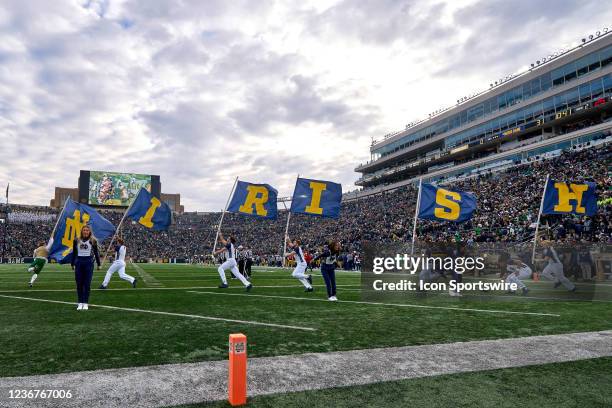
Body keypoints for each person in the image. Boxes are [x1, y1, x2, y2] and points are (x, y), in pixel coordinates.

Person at [71, 225, 101, 310]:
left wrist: (99, 264)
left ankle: (85, 303)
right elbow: (74, 253)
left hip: (88, 263)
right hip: (79, 263)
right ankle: (80, 303)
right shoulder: (76, 240)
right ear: (82, 231)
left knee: (87, 284)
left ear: (89, 232)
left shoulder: (93, 241)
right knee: (79, 284)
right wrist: (72, 264)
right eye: (84, 230)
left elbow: (96, 253)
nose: (85, 232)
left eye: (87, 230)